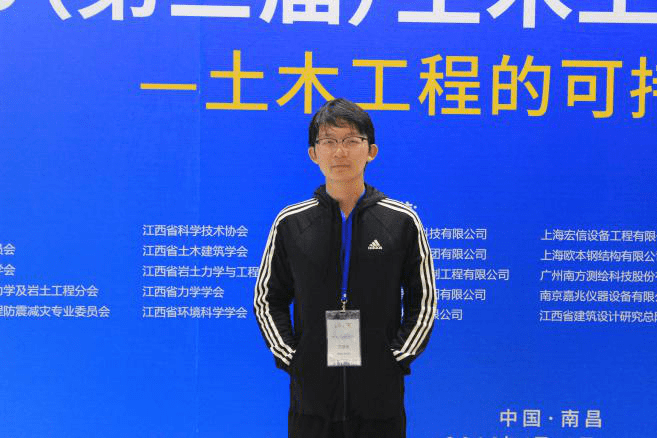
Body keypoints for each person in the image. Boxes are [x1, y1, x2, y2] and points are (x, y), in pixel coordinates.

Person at [254, 98, 437, 438]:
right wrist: (294, 357)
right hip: (312, 400)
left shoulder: (401, 221)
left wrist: (396, 357)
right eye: (328, 141)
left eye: (352, 140)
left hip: (380, 399)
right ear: (314, 153)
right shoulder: (291, 223)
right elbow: (268, 298)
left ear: (371, 151)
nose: (340, 152)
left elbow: (423, 300)